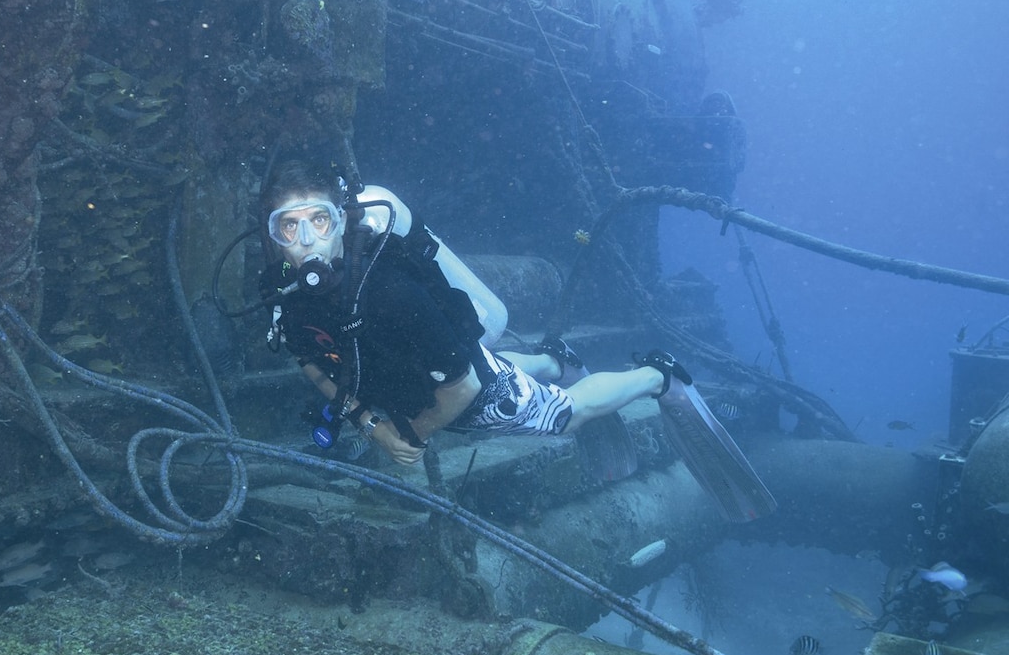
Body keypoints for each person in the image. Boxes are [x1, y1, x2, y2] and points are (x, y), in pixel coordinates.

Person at [257, 160, 777, 522]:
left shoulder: (390, 293)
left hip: (463, 390)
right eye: (290, 227)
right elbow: (310, 359)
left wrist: (405, 437)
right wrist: (368, 421)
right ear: (272, 235)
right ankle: (553, 360)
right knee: (489, 364)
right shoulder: (282, 290)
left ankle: (657, 376)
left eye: (318, 221)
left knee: (565, 416)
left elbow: (460, 390)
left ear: (341, 220)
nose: (306, 244)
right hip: (426, 371)